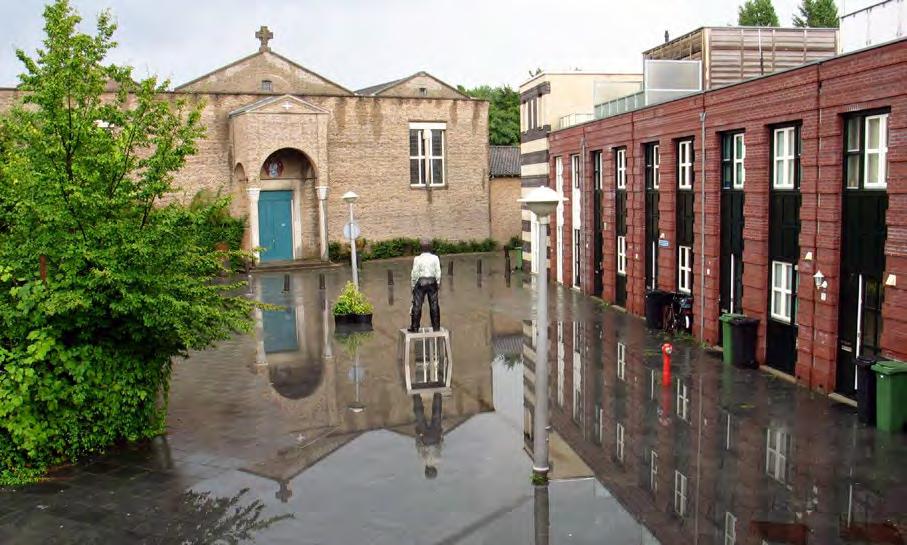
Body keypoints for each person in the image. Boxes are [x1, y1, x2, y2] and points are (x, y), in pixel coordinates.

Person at [409, 239, 441, 332]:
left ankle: (414, 327)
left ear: (421, 248)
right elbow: (438, 271)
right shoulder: (435, 258)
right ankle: (436, 327)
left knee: (417, 305)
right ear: (430, 248)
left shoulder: (417, 259)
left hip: (421, 281)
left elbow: (414, 273)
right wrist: (438, 282)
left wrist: (413, 285)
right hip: (432, 281)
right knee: (434, 305)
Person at [412, 392, 443, 479]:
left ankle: (438, 394)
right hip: (425, 438)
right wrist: (419, 435)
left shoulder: (438, 459)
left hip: (435, 436)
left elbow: (440, 445)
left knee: (437, 414)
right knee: (420, 417)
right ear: (426, 470)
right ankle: (416, 396)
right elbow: (419, 446)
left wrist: (440, 435)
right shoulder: (423, 461)